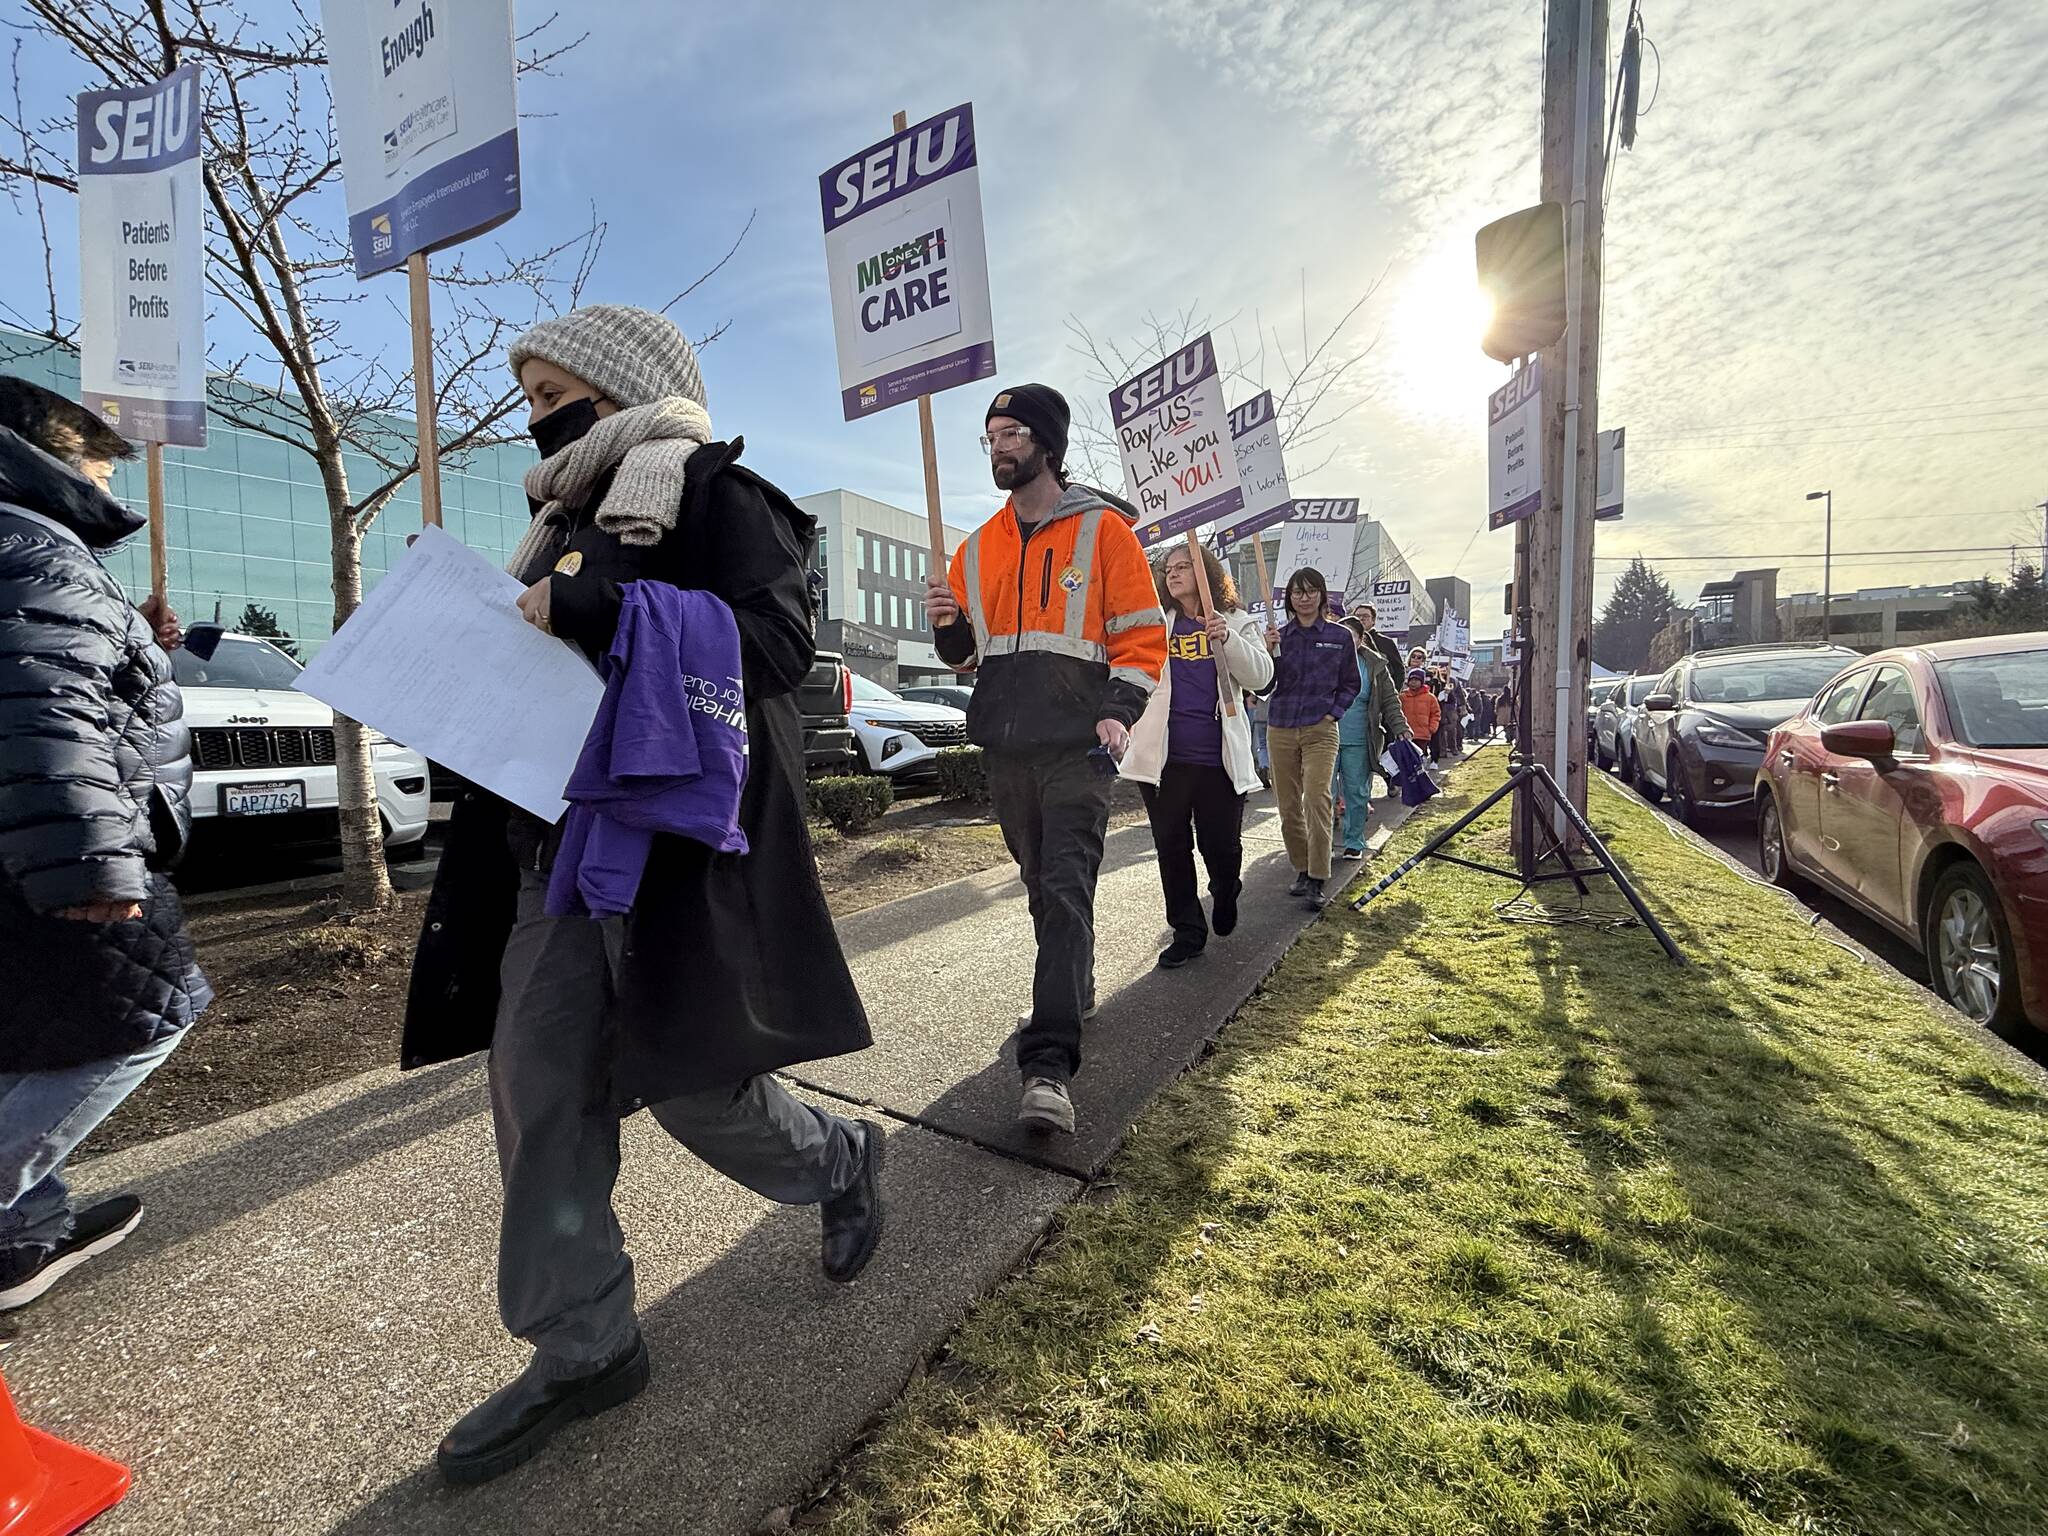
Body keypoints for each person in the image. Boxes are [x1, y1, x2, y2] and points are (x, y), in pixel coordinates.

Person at [401, 307, 880, 1486]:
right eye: (527, 397)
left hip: (673, 859)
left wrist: (604, 610)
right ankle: (584, 1346)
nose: (534, 416)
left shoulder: (723, 494)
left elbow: (774, 646)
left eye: (554, 391)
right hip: (546, 859)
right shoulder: (554, 524)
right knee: (540, 1090)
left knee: (697, 1093)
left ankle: (838, 1160)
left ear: (620, 387)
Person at [0, 377, 205, 1311]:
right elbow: (43, 701)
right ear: (54, 449)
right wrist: (92, 858)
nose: (110, 484)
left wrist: (138, 642)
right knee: (141, 1025)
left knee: (28, 1033)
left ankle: (25, 1235)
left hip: (25, 842)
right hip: (76, 840)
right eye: (97, 459)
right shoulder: (35, 543)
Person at [924, 384, 1165, 1136]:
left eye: (1012, 433)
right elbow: (966, 656)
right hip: (1006, 749)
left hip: (1081, 750)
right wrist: (946, 627)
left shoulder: (1105, 533)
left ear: (1047, 444)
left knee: (1065, 888)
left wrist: (1115, 713)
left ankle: (1049, 1066)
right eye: (990, 435)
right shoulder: (979, 544)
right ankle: (1072, 978)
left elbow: (1141, 638)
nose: (998, 445)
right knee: (1041, 887)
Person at [1122, 542, 1274, 968]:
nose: (1173, 573)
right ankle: (1187, 930)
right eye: (1168, 568)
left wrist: (1226, 639)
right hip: (1164, 760)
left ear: (1206, 571)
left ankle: (1226, 890)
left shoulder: (1239, 621)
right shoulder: (1157, 624)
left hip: (1217, 760)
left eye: (1184, 565)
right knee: (1171, 847)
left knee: (1219, 846)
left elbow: (1262, 678)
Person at [1263, 567, 1359, 910]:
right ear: (1289, 598)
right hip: (1281, 727)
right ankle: (1301, 868)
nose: (1303, 598)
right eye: (1297, 592)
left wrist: (1334, 712)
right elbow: (1263, 688)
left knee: (1317, 798)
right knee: (1288, 806)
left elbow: (1351, 682)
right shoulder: (1278, 637)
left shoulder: (1340, 636)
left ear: (1322, 594)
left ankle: (1319, 876)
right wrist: (1266, 652)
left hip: (1321, 729)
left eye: (1310, 591)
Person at [1332, 615, 1412, 860]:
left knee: (1357, 792)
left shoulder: (1375, 664)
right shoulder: (1324, 659)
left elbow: (1389, 700)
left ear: (1360, 639)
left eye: (1351, 636)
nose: (1345, 641)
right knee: (1323, 793)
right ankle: (1319, 845)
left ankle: (1354, 841)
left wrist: (1401, 727)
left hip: (1359, 739)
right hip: (1323, 738)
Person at [1355, 601, 1405, 682]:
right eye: (1357, 616)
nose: (1361, 619)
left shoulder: (1386, 642)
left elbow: (1398, 670)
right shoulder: (1348, 640)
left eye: (1365, 616)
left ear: (1373, 620)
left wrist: (1391, 692)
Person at [1401, 667, 1442, 762]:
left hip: (1422, 734)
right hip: (1406, 733)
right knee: (1406, 758)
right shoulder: (1402, 697)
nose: (1413, 682)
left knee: (1418, 757)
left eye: (1416, 680)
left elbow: (1436, 713)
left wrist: (1432, 728)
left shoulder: (1430, 698)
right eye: (1411, 680)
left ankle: (1419, 774)